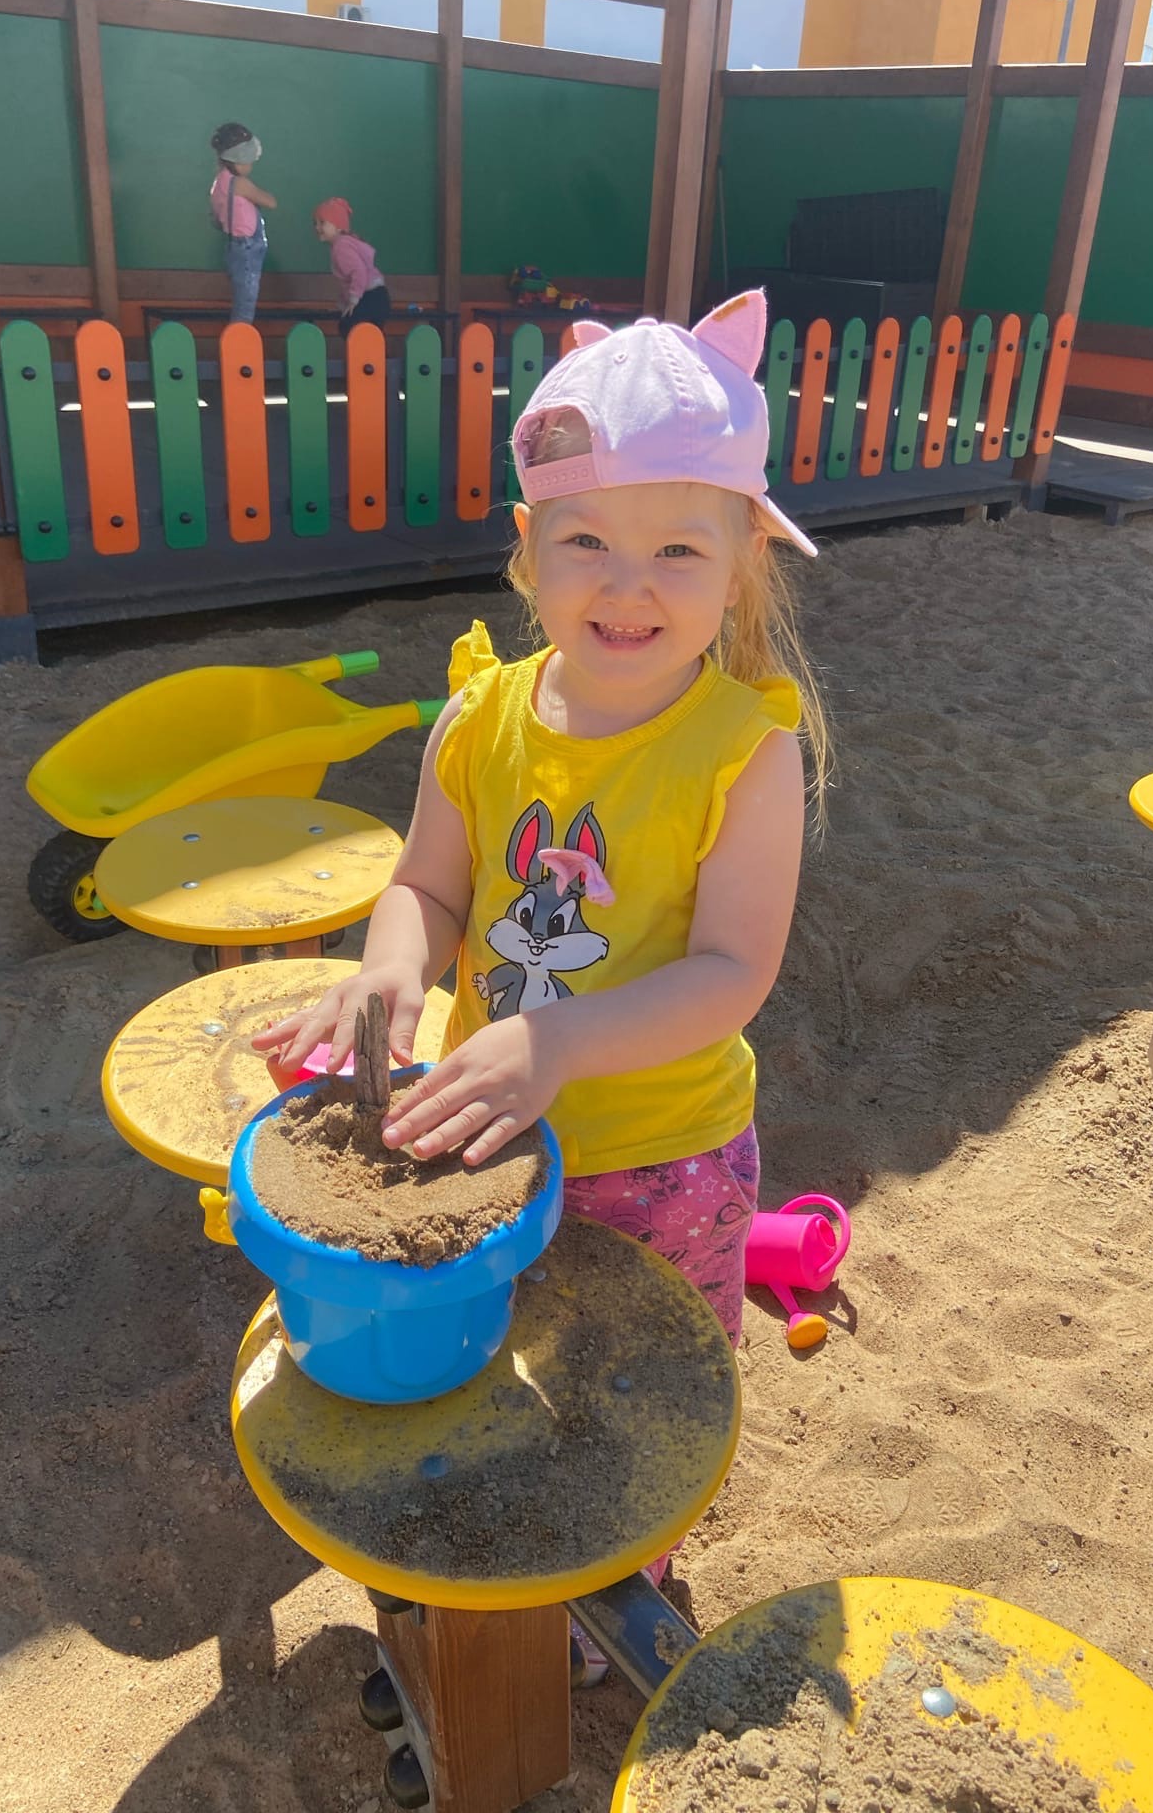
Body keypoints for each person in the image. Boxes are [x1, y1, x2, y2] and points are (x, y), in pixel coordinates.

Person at [252, 289, 830, 1667]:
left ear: (743, 564)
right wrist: (391, 975)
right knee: (495, 1363)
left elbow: (733, 972)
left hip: (662, 1154)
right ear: (528, 547)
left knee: (625, 1394)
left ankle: (617, 1579)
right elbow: (428, 886)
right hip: (485, 1136)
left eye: (677, 549)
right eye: (587, 543)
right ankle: (495, 1569)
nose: (627, 588)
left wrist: (562, 1043)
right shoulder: (480, 714)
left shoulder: (745, 751)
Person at [209, 122, 276, 325]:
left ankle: (239, 334)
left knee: (242, 298)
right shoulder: (240, 183)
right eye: (248, 161)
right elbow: (271, 202)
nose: (250, 166)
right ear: (236, 160)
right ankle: (239, 338)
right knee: (245, 303)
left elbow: (216, 217)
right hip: (247, 247)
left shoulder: (219, 182)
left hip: (233, 245)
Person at [312, 196, 391, 336]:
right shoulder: (345, 243)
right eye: (315, 223)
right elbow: (349, 280)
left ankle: (367, 349)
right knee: (364, 333)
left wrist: (354, 300)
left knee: (350, 328)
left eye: (322, 223)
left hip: (370, 297)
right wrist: (344, 304)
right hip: (377, 296)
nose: (317, 227)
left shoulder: (341, 247)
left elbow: (359, 272)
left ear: (337, 226)